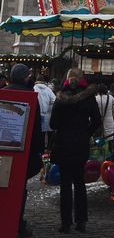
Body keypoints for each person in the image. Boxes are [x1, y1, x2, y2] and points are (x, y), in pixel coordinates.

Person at [49, 67, 102, 233]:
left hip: (64, 143)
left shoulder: (60, 98)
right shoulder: (89, 98)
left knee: (65, 185)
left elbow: (53, 124)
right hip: (80, 144)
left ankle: (66, 223)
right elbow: (97, 121)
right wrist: (86, 132)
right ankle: (81, 221)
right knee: (80, 183)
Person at [6, 63, 45, 238]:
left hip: (6, 148)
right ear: (25, 78)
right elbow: (37, 128)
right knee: (20, 188)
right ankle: (17, 223)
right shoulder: (30, 97)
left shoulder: (4, 92)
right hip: (24, 152)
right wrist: (39, 151)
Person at [34, 74, 56, 147]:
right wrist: (49, 106)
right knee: (47, 134)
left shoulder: (34, 88)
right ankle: (47, 148)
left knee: (39, 134)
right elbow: (54, 100)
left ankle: (40, 149)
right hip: (47, 115)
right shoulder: (48, 89)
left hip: (37, 115)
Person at [94, 82, 114, 148]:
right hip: (110, 124)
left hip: (98, 126)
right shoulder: (111, 97)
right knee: (111, 145)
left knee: (99, 145)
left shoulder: (95, 99)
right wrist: (111, 115)